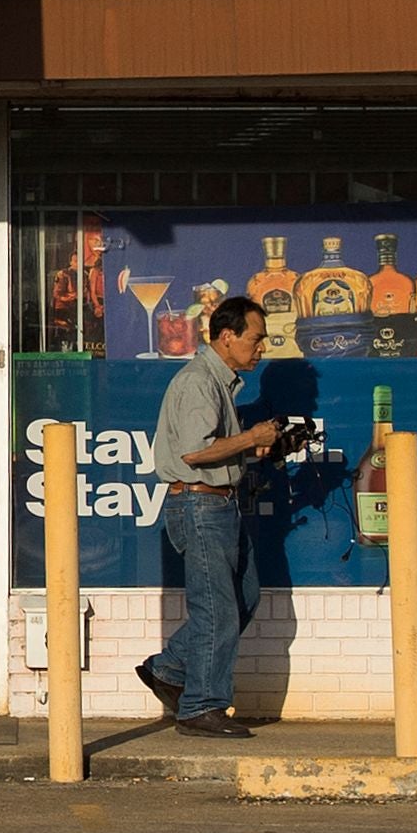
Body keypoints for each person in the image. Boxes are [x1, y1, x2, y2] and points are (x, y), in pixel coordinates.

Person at [136, 293, 286, 738]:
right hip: (199, 504)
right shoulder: (200, 382)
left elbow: (215, 450)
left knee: (243, 598)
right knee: (217, 607)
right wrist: (251, 436)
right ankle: (201, 706)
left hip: (218, 503)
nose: (261, 348)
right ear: (227, 336)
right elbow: (195, 450)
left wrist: (257, 447)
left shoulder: (220, 384)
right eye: (256, 339)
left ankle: (169, 669)